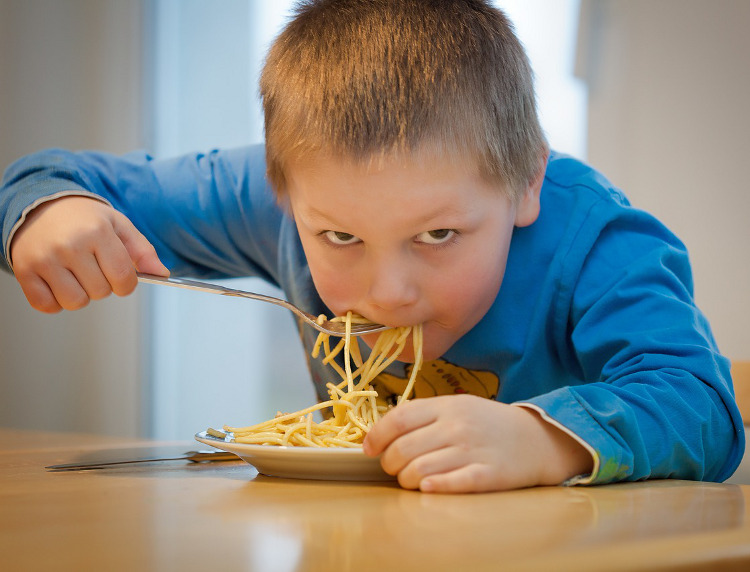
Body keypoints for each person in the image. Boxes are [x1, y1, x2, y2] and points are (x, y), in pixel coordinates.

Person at [0, 0, 744, 493]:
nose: (386, 290)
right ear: (284, 191)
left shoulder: (595, 243)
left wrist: (540, 442)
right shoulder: (283, 196)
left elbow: (704, 407)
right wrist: (52, 211)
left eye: (439, 235)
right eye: (340, 238)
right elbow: (56, 177)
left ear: (525, 185)